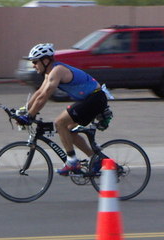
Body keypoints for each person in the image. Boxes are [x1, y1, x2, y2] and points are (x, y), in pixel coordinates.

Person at [16, 43, 110, 175]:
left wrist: (29, 116)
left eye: (35, 62)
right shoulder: (49, 73)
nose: (33, 65)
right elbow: (38, 93)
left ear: (46, 60)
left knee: (60, 123)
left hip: (95, 98)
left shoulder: (57, 71)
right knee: (69, 132)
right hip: (90, 99)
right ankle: (96, 160)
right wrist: (24, 110)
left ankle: (72, 162)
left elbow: (44, 96)